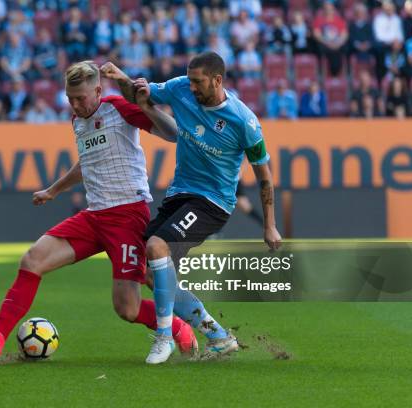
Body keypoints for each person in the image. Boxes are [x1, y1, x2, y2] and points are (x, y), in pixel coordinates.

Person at [0, 61, 197, 362]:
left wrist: (147, 107)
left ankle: (179, 327)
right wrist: (53, 190)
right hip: (94, 217)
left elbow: (172, 134)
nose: (75, 104)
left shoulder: (117, 107)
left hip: (127, 217)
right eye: (70, 98)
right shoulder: (77, 122)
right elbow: (87, 163)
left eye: (80, 97)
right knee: (33, 259)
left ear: (97, 90)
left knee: (127, 309)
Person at [101, 51, 282, 364]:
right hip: (180, 195)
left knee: (158, 247)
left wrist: (269, 225)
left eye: (199, 82)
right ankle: (218, 336)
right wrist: (121, 79)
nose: (193, 87)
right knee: (151, 274)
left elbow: (265, 178)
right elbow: (141, 94)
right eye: (191, 80)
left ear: (217, 80)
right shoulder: (180, 87)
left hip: (213, 202)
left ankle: (163, 336)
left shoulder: (244, 121)